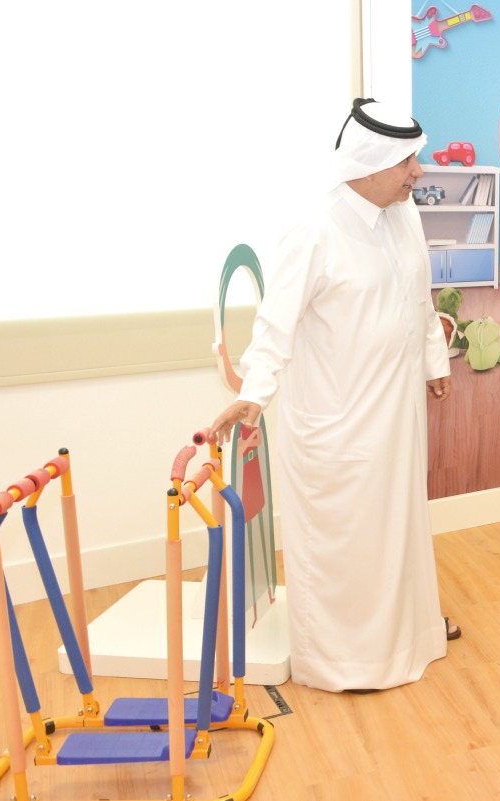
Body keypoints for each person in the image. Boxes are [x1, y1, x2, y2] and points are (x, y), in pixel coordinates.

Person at [208, 98, 459, 694]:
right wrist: (257, 393)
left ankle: (408, 636)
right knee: (348, 542)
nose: (417, 173)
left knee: (399, 526)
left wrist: (431, 361)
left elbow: (419, 299)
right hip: (338, 419)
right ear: (371, 165)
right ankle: (348, 661)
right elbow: (276, 325)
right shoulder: (313, 230)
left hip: (396, 413)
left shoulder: (404, 217)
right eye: (408, 163)